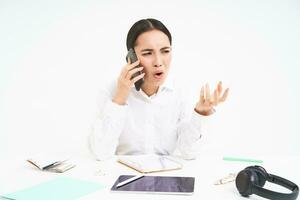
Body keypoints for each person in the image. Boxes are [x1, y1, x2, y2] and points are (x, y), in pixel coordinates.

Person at [88, 18, 229, 160]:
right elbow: (100, 153)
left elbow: (189, 152)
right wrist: (120, 97)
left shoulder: (181, 91)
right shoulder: (112, 90)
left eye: (165, 51)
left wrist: (201, 112)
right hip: (123, 175)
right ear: (131, 57)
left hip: (166, 176)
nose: (158, 62)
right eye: (148, 53)